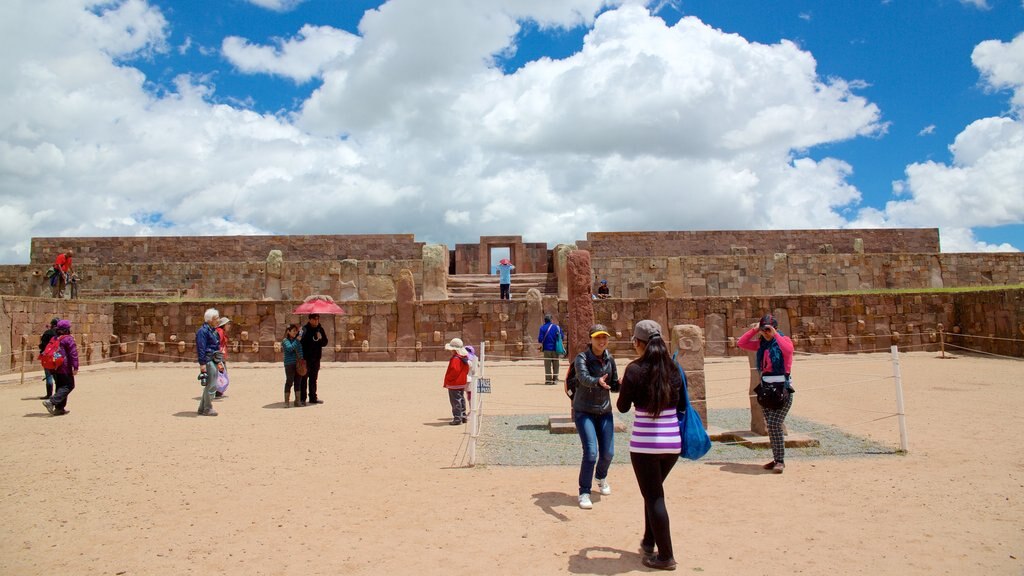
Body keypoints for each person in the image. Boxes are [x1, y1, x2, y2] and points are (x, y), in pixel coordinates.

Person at [616, 320, 685, 571]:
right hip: (672, 443)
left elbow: (622, 407)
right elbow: (678, 405)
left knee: (654, 496)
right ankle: (648, 540)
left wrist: (625, 387)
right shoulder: (674, 369)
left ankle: (665, 555)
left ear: (638, 343)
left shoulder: (634, 370)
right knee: (652, 492)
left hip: (645, 444)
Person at [737, 313, 795, 474]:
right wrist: (755, 330)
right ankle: (777, 458)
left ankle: (780, 461)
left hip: (782, 389)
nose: (766, 333)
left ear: (775, 328)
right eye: (765, 329)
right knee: (771, 425)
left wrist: (775, 334)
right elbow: (741, 343)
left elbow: (788, 350)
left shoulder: (783, 341)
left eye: (768, 329)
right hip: (766, 390)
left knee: (775, 424)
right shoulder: (761, 344)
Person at [572, 323, 619, 509]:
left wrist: (623, 384)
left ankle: (600, 476)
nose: (602, 341)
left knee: (608, 453)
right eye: (598, 337)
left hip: (604, 410)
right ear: (590, 339)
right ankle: (584, 491)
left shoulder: (610, 359)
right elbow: (583, 378)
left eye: (604, 337)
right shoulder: (581, 358)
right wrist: (597, 381)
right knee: (591, 453)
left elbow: (613, 385)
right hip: (584, 411)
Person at [41, 320, 78, 416]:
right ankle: (52, 401)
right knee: (69, 385)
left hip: (54, 366)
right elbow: (73, 354)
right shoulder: (68, 339)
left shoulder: (54, 338)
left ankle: (59, 408)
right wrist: (75, 366)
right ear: (67, 329)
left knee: (60, 386)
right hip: (64, 366)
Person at [195, 308, 223, 416]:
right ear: (210, 319)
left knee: (210, 384)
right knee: (211, 384)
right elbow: (201, 348)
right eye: (216, 318)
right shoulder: (203, 331)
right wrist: (202, 364)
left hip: (213, 358)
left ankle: (202, 408)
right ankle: (207, 407)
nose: (218, 320)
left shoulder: (212, 330)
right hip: (208, 359)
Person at [298, 314, 328, 405]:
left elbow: (325, 343)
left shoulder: (320, 329)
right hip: (306, 359)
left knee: (313, 378)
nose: (316, 321)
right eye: (314, 319)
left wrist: (320, 337)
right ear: (310, 319)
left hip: (316, 358)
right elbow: (298, 341)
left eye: (317, 319)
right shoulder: (304, 329)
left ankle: (313, 397)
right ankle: (302, 399)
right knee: (304, 378)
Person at [442, 338, 470, 425]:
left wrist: (449, 379)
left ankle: (457, 418)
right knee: (461, 399)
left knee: (455, 401)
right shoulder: (463, 358)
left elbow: (454, 370)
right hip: (461, 382)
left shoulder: (456, 359)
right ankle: (463, 416)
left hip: (454, 383)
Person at [281, 324, 303, 407]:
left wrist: (301, 360)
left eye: (296, 331)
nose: (295, 332)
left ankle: (297, 401)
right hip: (289, 364)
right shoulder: (285, 341)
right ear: (288, 331)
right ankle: (286, 402)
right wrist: (297, 341)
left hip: (298, 364)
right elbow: (289, 348)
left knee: (298, 382)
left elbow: (300, 350)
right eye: (293, 331)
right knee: (289, 382)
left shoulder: (296, 340)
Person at [538, 314, 563, 385]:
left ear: (545, 320)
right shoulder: (557, 327)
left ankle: (548, 380)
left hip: (547, 349)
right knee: (556, 364)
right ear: (551, 320)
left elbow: (540, 339)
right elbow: (562, 336)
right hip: (556, 349)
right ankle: (555, 379)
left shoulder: (542, 328)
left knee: (547, 365)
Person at [37, 317, 59, 399]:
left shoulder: (47, 333)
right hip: (56, 356)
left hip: (47, 356)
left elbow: (43, 345)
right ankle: (58, 394)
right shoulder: (60, 333)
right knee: (57, 375)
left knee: (48, 375)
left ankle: (49, 394)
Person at [214, 317, 231, 398]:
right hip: (219, 356)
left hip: (220, 355)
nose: (229, 326)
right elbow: (217, 344)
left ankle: (218, 391)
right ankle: (217, 391)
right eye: (228, 324)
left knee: (222, 374)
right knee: (221, 374)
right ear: (223, 325)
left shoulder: (221, 332)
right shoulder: (219, 332)